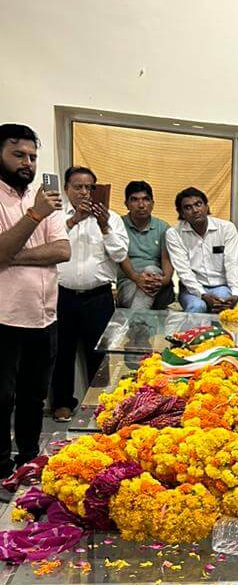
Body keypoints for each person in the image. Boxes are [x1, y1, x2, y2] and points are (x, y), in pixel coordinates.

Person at [0, 124, 69, 478]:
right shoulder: (39, 205)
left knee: (34, 397)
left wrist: (14, 255)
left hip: (44, 316)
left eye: (32, 156)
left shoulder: (44, 197)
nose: (27, 163)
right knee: (1, 399)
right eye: (18, 155)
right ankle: (0, 469)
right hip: (5, 317)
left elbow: (62, 250)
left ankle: (27, 460)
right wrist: (35, 216)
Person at [51, 166, 129, 421]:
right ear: (66, 189)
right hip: (61, 295)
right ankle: (62, 403)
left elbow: (120, 255)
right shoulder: (56, 216)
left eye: (89, 187)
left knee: (100, 354)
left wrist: (104, 226)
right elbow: (47, 245)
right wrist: (74, 220)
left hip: (99, 296)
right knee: (62, 352)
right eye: (78, 187)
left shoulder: (112, 218)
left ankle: (100, 404)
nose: (84, 192)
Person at [166, 187, 238, 313]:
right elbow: (183, 271)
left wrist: (235, 293)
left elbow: (232, 263)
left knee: (222, 303)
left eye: (198, 204)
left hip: (221, 286)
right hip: (190, 288)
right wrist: (203, 295)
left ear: (206, 207)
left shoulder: (226, 228)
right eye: (188, 207)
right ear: (181, 213)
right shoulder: (174, 234)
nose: (195, 210)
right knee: (197, 306)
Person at [117, 180, 174, 310]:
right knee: (141, 289)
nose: (141, 205)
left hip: (157, 283)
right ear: (126, 204)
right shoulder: (119, 225)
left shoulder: (163, 227)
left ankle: (137, 319)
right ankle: (139, 317)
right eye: (135, 200)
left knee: (151, 270)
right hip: (128, 283)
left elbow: (167, 260)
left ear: (152, 204)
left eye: (146, 199)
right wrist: (137, 278)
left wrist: (163, 280)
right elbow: (119, 256)